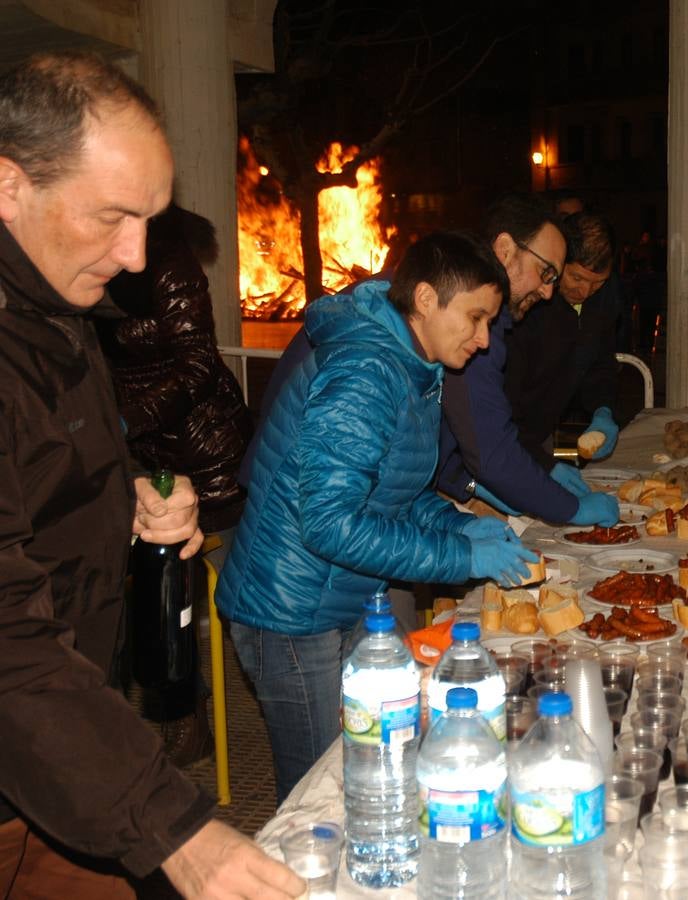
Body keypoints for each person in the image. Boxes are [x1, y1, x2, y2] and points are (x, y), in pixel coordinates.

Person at [0, 51, 302, 898]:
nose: (136, 258)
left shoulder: (52, 301)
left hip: (59, 752)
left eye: (152, 221)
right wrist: (178, 832)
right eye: (112, 217)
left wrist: (121, 487)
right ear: (8, 185)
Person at [217, 231, 537, 803]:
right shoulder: (366, 372)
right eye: (475, 317)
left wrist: (458, 525)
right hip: (289, 609)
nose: (485, 339)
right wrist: (463, 557)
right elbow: (331, 523)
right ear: (425, 300)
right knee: (321, 787)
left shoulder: (412, 367)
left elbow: (393, 493)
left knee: (372, 760)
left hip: (340, 598)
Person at [99, 203, 254, 766]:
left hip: (206, 451)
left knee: (243, 599)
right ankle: (183, 715)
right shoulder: (85, 259)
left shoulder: (166, 261)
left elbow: (198, 365)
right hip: (142, 460)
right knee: (159, 595)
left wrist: (125, 419)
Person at [436, 194, 620, 526]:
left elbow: (452, 432)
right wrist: (567, 506)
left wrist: (462, 481)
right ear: (504, 250)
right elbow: (484, 436)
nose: (550, 291)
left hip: (484, 461)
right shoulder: (488, 323)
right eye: (547, 272)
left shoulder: (497, 317)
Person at [504, 212, 624, 466]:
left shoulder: (604, 297)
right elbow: (502, 408)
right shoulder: (529, 305)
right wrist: (543, 468)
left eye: (597, 283)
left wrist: (604, 409)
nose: (585, 291)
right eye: (576, 277)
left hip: (554, 428)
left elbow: (601, 364)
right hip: (510, 435)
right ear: (557, 265)